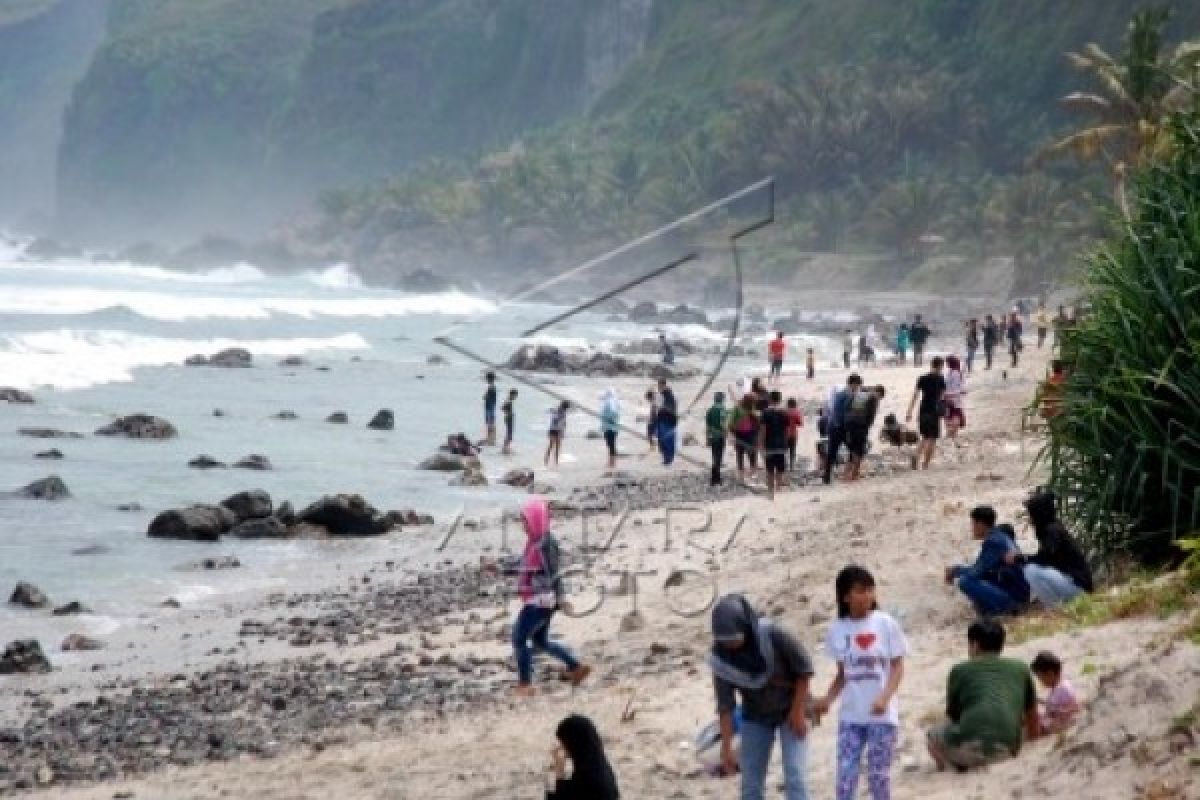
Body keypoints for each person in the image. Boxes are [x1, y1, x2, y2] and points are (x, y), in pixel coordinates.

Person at [814, 566, 908, 800]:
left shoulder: (885, 624)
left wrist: (885, 697)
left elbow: (897, 666)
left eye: (870, 590)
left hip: (881, 716)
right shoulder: (838, 629)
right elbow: (843, 674)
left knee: (878, 777)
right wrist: (827, 699)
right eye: (860, 590)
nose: (867, 595)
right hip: (851, 715)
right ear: (845, 597)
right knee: (845, 778)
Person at [709, 594, 813, 800]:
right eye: (725, 641)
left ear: (746, 627)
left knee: (795, 776)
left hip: (791, 708)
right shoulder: (721, 658)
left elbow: (804, 670)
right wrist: (726, 747)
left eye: (734, 639)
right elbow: (725, 705)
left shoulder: (774, 635)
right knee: (750, 784)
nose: (730, 645)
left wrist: (798, 711)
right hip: (755, 715)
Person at [926, 619, 1038, 770]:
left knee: (932, 734)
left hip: (970, 748)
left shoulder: (960, 670)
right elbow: (1032, 716)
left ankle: (948, 767)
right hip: (1007, 749)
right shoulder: (1021, 668)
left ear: (975, 645)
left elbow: (953, 716)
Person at [513, 497, 590, 696]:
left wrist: (562, 598)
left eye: (526, 522)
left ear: (536, 520)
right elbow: (524, 565)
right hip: (539, 601)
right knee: (540, 642)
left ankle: (525, 684)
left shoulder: (546, 544)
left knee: (519, 639)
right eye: (523, 522)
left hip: (540, 602)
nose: (524, 526)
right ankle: (575, 667)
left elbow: (555, 573)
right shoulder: (534, 541)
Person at [1008, 489, 1093, 607]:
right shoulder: (1051, 528)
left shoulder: (1052, 530)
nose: (1030, 518)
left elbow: (1045, 559)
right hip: (1074, 583)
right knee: (1032, 567)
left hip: (1078, 586)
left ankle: (1054, 607)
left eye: (1031, 513)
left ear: (1039, 513)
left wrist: (1020, 558)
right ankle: (1058, 605)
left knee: (1031, 569)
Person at [945, 506, 1030, 617]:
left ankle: (1007, 608)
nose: (972, 528)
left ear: (980, 524)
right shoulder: (1001, 536)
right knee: (979, 579)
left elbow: (976, 572)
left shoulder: (993, 542)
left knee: (966, 581)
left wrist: (954, 571)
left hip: (1016, 595)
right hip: (1018, 588)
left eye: (973, 524)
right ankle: (990, 610)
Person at [547, 714, 620, 799]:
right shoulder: (599, 765)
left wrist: (559, 770)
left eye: (564, 743)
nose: (561, 747)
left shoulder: (586, 776)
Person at [905, 356, 945, 470]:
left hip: (923, 410)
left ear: (931, 365)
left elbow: (915, 395)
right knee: (933, 439)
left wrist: (909, 411)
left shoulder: (922, 378)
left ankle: (916, 455)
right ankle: (925, 464)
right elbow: (942, 396)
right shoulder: (941, 379)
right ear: (941, 366)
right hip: (934, 411)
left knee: (925, 436)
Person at [823, 374, 862, 485]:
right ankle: (851, 474)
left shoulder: (839, 394)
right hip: (841, 428)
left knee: (832, 452)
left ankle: (827, 476)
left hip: (833, 426)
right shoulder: (849, 395)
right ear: (853, 384)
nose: (857, 388)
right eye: (857, 386)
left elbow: (834, 410)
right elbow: (847, 414)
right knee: (854, 449)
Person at [1029, 652, 1081, 735]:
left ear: (1050, 674)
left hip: (1058, 724)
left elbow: (1072, 710)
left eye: (1040, 677)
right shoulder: (1058, 687)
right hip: (1054, 720)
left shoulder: (1063, 689)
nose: (1040, 681)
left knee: (1032, 723)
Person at [843, 384, 883, 481]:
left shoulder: (860, 393)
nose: (879, 399)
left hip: (849, 424)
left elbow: (847, 406)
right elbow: (871, 417)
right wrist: (867, 428)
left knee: (852, 451)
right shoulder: (873, 398)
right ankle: (854, 476)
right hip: (861, 427)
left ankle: (845, 475)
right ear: (880, 393)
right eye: (880, 397)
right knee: (859, 452)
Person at [758, 391, 790, 499]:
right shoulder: (784, 412)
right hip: (781, 444)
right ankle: (779, 489)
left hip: (769, 444)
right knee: (780, 468)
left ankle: (771, 491)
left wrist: (761, 445)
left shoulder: (765, 412)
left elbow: (763, 430)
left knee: (770, 469)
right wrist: (786, 443)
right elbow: (786, 430)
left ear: (770, 399)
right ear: (780, 399)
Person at [729, 393, 759, 480]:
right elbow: (757, 421)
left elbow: (731, 422)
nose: (754, 403)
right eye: (753, 402)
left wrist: (732, 431)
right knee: (751, 453)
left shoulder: (738, 408)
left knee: (740, 453)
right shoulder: (749, 408)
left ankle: (741, 474)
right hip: (749, 433)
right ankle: (752, 472)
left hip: (740, 433)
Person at [706, 392, 729, 486]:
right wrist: (726, 434)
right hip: (720, 436)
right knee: (719, 457)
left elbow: (707, 426)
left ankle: (714, 478)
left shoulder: (710, 410)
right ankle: (717, 478)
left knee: (714, 456)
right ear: (722, 399)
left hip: (712, 436)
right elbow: (723, 424)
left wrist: (707, 438)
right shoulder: (723, 409)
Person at [943, 355, 966, 440]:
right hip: (952, 396)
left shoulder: (954, 373)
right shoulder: (953, 372)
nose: (946, 364)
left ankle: (951, 434)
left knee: (953, 415)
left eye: (947, 362)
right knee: (951, 415)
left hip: (952, 397)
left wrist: (948, 394)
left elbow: (956, 387)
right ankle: (951, 434)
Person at [656, 378, 678, 466]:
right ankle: (667, 458)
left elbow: (669, 408)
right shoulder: (666, 395)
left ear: (663, 385)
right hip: (666, 420)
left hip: (667, 420)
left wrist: (662, 409)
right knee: (665, 440)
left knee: (666, 440)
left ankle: (668, 459)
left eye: (659, 386)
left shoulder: (667, 395)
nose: (658, 388)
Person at [600, 389, 620, 471]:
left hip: (610, 427)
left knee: (610, 444)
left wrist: (610, 419)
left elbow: (614, 412)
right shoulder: (614, 401)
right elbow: (617, 412)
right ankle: (612, 461)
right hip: (612, 427)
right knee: (611, 444)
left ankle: (612, 462)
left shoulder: (610, 402)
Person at [546, 401, 569, 467]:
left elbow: (549, 411)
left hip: (552, 429)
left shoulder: (556, 410)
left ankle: (546, 461)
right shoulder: (563, 413)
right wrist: (563, 432)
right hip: (558, 430)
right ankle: (555, 462)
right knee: (557, 447)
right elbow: (563, 424)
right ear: (566, 408)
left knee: (550, 446)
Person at [785, 397, 803, 472]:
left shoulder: (784, 412)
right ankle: (792, 467)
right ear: (795, 404)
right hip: (793, 434)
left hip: (785, 434)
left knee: (785, 450)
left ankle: (785, 465)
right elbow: (800, 423)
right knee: (793, 451)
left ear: (788, 404)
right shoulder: (796, 412)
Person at [483, 371, 498, 446]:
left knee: (490, 423)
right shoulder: (492, 387)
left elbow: (489, 397)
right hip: (490, 407)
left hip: (489, 407)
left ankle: (491, 439)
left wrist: (485, 397)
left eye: (487, 378)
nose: (486, 380)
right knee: (490, 423)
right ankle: (491, 439)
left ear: (489, 379)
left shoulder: (492, 387)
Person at [502, 388, 518, 455]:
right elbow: (503, 408)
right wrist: (509, 413)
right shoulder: (509, 401)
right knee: (509, 434)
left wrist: (508, 413)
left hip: (508, 418)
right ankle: (505, 449)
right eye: (515, 395)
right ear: (512, 394)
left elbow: (503, 408)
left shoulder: (508, 400)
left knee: (509, 434)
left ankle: (505, 448)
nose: (516, 397)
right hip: (509, 418)